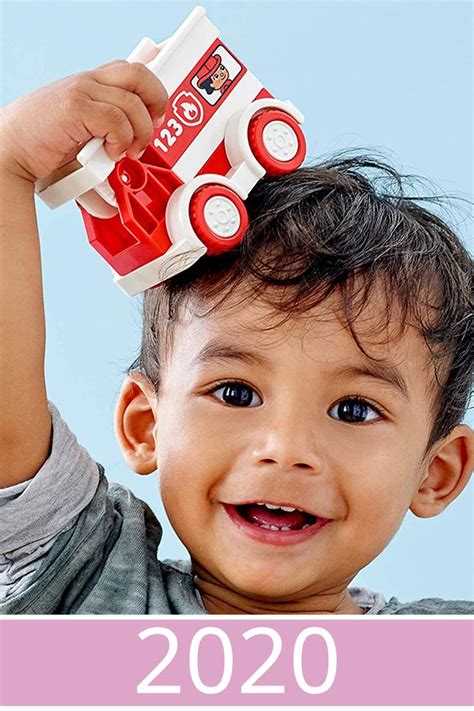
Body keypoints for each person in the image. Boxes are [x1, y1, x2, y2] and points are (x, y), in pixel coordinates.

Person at [0, 60, 472, 615]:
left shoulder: (442, 659)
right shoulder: (82, 580)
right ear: (146, 425)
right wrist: (9, 163)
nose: (286, 450)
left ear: (435, 472)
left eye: (353, 409)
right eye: (235, 393)